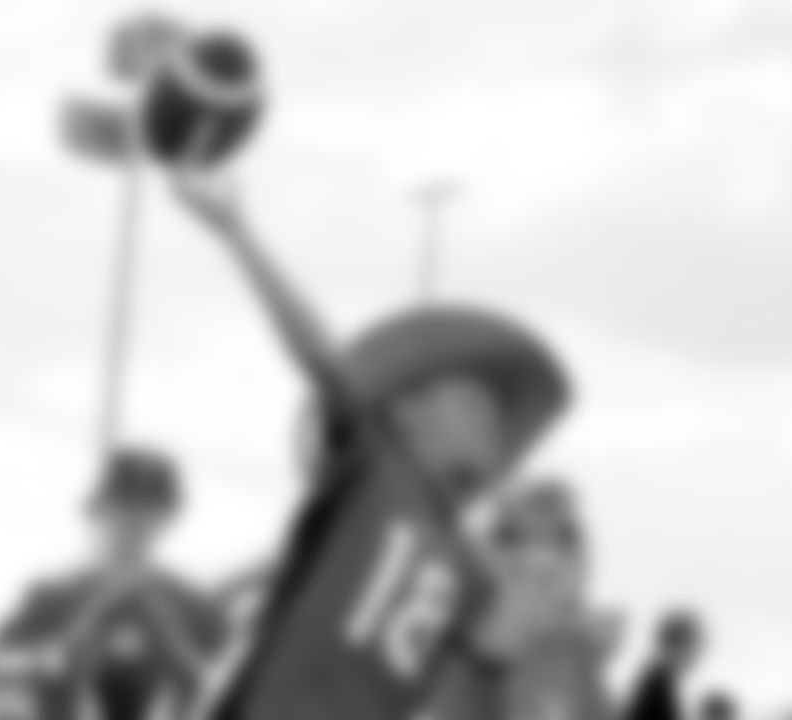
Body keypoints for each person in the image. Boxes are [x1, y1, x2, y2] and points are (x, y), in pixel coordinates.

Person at [167, 166, 572, 720]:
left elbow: (469, 697)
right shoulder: (376, 463)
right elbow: (319, 353)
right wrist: (238, 232)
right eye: (470, 402)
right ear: (405, 410)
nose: (490, 424)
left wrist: (501, 647)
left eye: (498, 419)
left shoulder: (472, 571)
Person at [0, 447, 227, 720]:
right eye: (124, 507)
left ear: (167, 519)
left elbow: (225, 682)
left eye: (150, 510)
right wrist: (57, 654)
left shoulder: (198, 607)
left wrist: (178, 653)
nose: (137, 521)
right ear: (97, 511)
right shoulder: (53, 595)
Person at [477, 480, 620, 720]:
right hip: (507, 654)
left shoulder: (567, 558)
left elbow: (568, 592)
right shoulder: (505, 547)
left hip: (531, 659)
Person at [622, 610, 705, 720]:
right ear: (677, 646)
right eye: (693, 647)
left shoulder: (661, 680)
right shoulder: (657, 684)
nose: (695, 655)